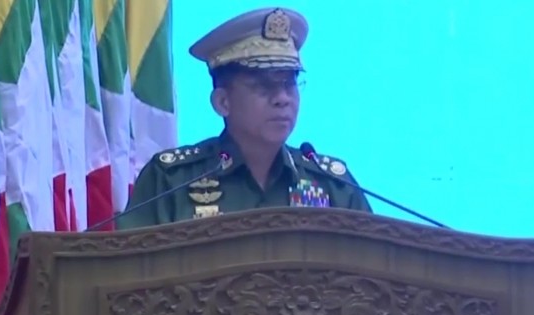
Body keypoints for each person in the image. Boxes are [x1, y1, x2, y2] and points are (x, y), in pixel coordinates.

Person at [116, 7, 372, 230]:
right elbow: (131, 265)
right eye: (264, 86)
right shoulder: (172, 181)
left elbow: (374, 263)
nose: (282, 98)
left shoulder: (334, 185)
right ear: (222, 102)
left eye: (289, 83)